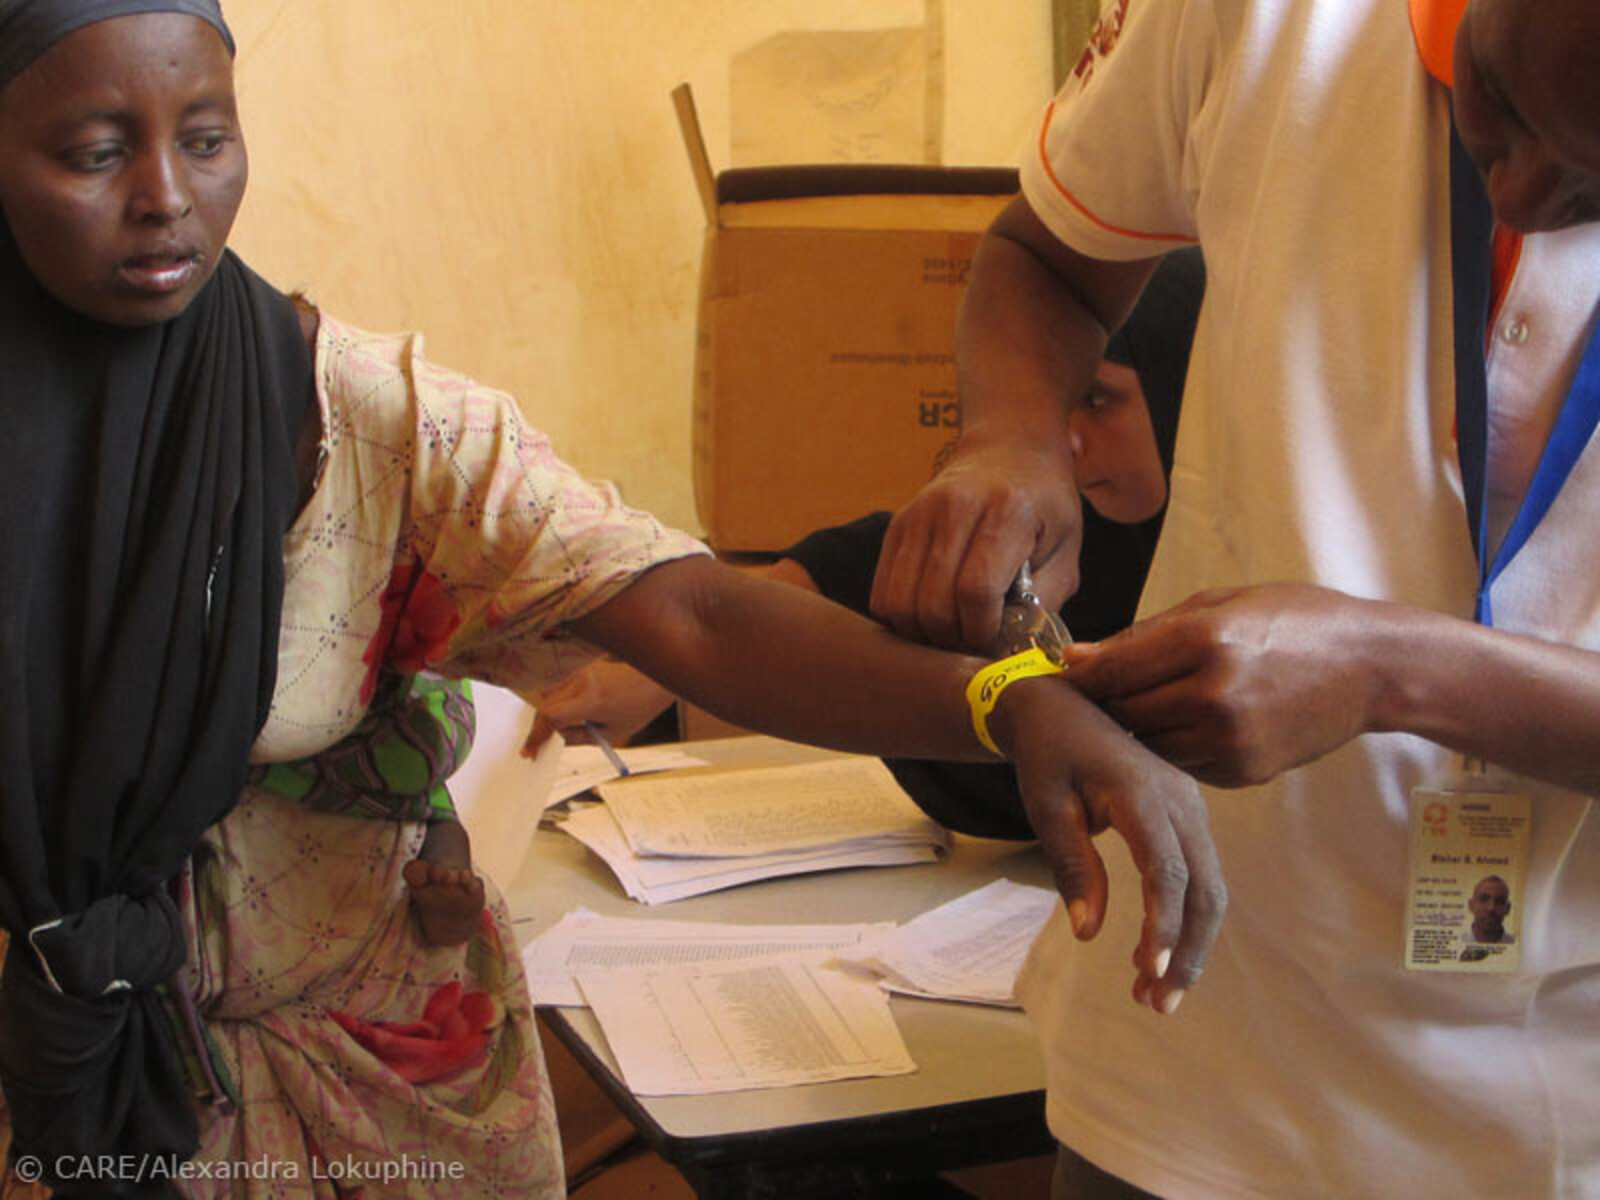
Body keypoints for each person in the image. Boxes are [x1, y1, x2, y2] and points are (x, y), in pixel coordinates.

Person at [0, 4, 1225, 1196]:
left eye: (207, 138)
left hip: (369, 1098)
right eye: (96, 153)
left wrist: (1008, 702)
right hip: (41, 1079)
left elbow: (691, 614)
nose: (166, 192)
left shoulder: (366, 423)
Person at [866, 0, 1600, 1196]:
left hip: (1557, 1111)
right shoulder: (1259, 19)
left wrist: (1387, 672)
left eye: (1594, 192)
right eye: (1504, 108)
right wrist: (1008, 440)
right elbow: (1046, 258)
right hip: (1194, 1064)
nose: (1521, 195)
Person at [525, 249, 1204, 843]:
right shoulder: (1051, 522)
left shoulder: (1233, 564)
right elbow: (848, 572)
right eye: (1058, 403)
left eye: (1100, 399)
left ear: (1188, 389)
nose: (1067, 438)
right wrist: (649, 677)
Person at [1464, 874, 1515, 945]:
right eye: (1483, 899)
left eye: (1499, 901)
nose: (1491, 908)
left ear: (1507, 909)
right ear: (1471, 905)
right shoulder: (1457, 942)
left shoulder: (1517, 945)